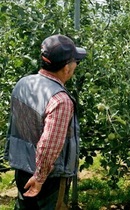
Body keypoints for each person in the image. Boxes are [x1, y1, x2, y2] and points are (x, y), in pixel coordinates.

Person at [4, 34, 86, 209]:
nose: (75, 66)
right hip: (48, 177)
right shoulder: (60, 100)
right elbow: (49, 145)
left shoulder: (23, 84)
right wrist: (40, 178)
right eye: (75, 62)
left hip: (22, 168)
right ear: (66, 68)